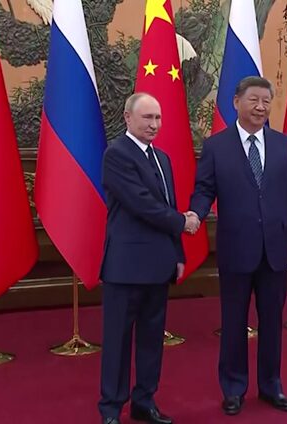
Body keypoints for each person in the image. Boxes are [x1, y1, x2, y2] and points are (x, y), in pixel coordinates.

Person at [187, 76, 287, 415]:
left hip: (276, 248)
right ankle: (233, 388)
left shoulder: (285, 145)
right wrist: (195, 213)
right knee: (234, 322)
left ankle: (271, 385)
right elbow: (204, 189)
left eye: (266, 101)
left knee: (272, 321)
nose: (260, 107)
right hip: (236, 247)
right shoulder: (216, 146)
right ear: (236, 102)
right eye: (254, 100)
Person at [98, 93, 198, 424]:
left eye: (158, 118)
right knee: (117, 341)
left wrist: (178, 253)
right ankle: (111, 409)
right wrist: (182, 222)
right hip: (125, 268)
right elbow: (141, 203)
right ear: (128, 118)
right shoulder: (116, 154)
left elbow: (168, 205)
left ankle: (145, 401)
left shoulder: (163, 158)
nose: (154, 124)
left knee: (152, 340)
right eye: (147, 118)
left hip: (159, 265)